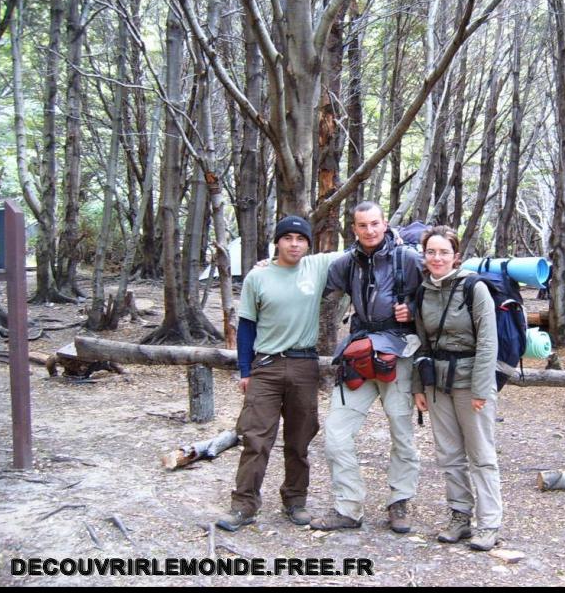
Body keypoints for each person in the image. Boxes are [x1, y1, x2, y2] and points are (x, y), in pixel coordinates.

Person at [215, 215, 342, 532]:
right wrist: (245, 370)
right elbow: (246, 327)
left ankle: (295, 501)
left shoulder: (317, 267)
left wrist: (395, 236)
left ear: (308, 244)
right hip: (266, 366)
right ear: (278, 242)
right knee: (255, 438)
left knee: (300, 439)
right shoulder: (258, 278)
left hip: (304, 365)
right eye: (288, 238)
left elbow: (362, 248)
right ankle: (244, 505)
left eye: (301, 239)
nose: (295, 244)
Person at [310, 201, 423, 534]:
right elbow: (311, 275)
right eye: (363, 225)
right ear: (354, 228)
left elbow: (436, 294)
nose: (370, 231)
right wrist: (273, 264)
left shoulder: (409, 260)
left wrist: (413, 310)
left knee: (402, 435)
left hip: (398, 353)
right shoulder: (346, 263)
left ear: (385, 223)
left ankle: (399, 502)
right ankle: (348, 507)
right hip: (358, 353)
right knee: (336, 432)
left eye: (375, 224)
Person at [411, 225, 502, 552]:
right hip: (437, 383)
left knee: (480, 454)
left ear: (456, 256)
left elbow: (488, 342)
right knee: (449, 455)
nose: (437, 258)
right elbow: (420, 343)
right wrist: (418, 386)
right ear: (424, 255)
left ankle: (489, 524)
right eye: (431, 252)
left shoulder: (474, 288)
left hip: (471, 383)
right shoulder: (423, 291)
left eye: (443, 252)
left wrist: (481, 389)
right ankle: (460, 517)